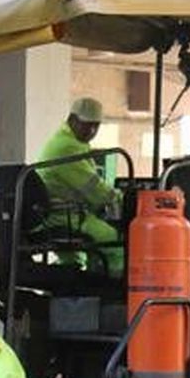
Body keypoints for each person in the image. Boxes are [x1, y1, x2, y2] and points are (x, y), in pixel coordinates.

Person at [34, 96, 123, 273]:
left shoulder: (69, 141)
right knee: (116, 243)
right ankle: (113, 292)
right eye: (87, 124)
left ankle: (82, 291)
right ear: (72, 119)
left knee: (72, 265)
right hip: (66, 217)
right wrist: (121, 198)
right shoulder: (66, 148)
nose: (91, 130)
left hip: (56, 215)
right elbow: (94, 190)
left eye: (96, 126)